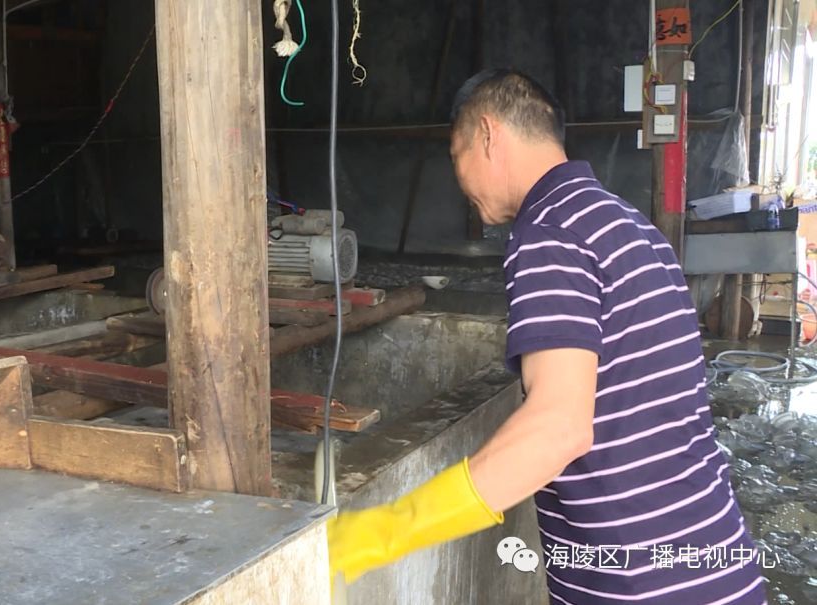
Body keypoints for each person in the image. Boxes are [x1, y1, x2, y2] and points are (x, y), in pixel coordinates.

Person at [326, 69, 766, 604]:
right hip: (718, 563)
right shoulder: (629, 225)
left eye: (456, 155)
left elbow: (557, 429)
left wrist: (383, 533)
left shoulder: (548, 233)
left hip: (643, 586)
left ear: (487, 134)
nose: (459, 180)